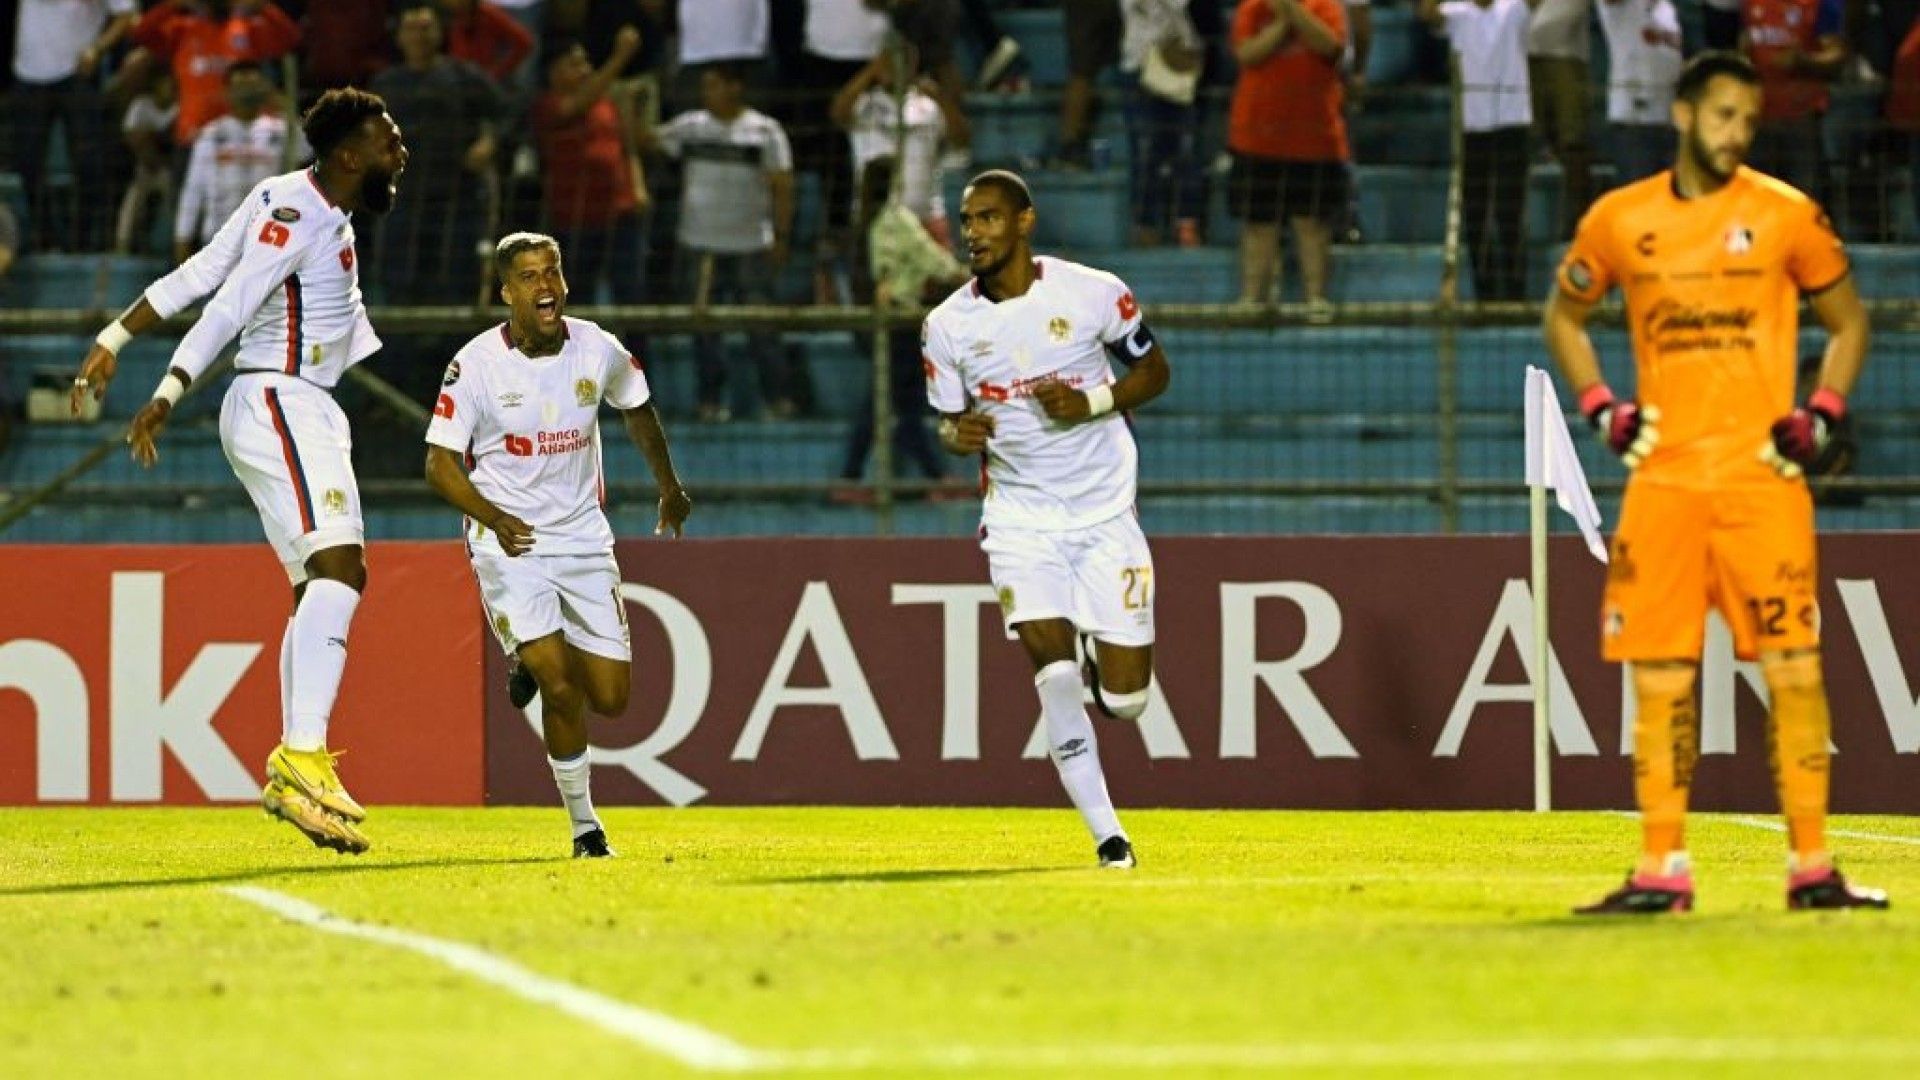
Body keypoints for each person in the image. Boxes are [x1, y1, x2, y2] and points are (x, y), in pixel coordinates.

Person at [1543, 52, 1887, 914]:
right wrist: (1600, 408)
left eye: (1749, 120)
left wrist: (1821, 415)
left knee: (1795, 670)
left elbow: (1848, 322)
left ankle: (1813, 869)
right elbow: (1566, 314)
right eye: (1725, 115)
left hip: (1761, 487)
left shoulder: (1785, 215)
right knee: (1660, 678)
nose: (1738, 133)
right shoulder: (1621, 221)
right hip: (1662, 486)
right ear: (1685, 113)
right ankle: (1663, 869)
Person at [68, 88, 409, 856]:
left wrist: (116, 334)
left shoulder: (286, 195)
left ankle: (301, 763)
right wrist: (167, 389)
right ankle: (302, 755)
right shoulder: (300, 215)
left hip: (294, 406)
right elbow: (226, 303)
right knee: (340, 570)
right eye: (387, 138)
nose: (399, 148)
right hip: (279, 397)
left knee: (317, 585)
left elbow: (197, 268)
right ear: (348, 153)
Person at [923, 170, 1172, 869]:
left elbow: (1157, 373)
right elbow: (948, 423)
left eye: (988, 218)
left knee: (1124, 702)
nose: (973, 232)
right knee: (1053, 673)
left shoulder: (1093, 292)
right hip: (1020, 519)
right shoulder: (946, 327)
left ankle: (1105, 667)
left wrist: (1093, 402)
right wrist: (956, 437)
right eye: (967, 220)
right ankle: (1109, 838)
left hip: (1104, 514)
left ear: (1025, 222)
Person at [424, 231, 692, 858]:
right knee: (560, 683)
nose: (544, 286)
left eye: (553, 273)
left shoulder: (597, 347)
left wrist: (668, 486)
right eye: (529, 277)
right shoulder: (476, 366)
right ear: (506, 292)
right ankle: (585, 827)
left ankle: (532, 656)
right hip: (507, 541)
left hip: (581, 539)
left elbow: (638, 406)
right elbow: (439, 466)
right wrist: (493, 517)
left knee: (612, 698)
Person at [1230, 0, 1349, 313]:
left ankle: (1316, 300)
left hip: (1313, 137)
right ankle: (1253, 299)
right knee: (1259, 224)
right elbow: (1247, 53)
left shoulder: (1326, 7)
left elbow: (1330, 46)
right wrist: (1283, 24)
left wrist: (1291, 11)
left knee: (1312, 223)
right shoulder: (1251, 9)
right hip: (1256, 136)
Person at [1420, 0, 1537, 301]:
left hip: (1513, 122)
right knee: (1476, 215)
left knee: (1511, 212)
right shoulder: (1457, 13)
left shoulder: (1515, 9)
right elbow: (1427, 14)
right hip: (1472, 126)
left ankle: (1515, 294)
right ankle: (1485, 294)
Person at [174, 61, 310, 265]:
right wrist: (182, 240)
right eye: (240, 86)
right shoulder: (211, 134)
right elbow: (193, 192)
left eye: (252, 85)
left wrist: (282, 104)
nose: (246, 92)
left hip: (268, 245)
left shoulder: (281, 130)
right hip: (218, 243)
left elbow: (308, 150)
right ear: (227, 91)